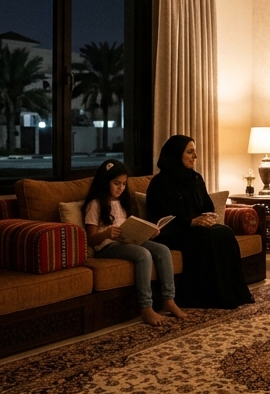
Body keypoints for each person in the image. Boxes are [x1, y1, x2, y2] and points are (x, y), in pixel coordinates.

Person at [146, 135, 255, 309]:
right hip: (173, 232)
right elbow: (161, 219)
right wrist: (191, 222)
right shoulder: (160, 183)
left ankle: (234, 292)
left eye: (194, 152)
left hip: (196, 229)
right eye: (190, 152)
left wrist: (208, 217)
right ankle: (211, 296)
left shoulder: (195, 178)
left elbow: (208, 206)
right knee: (211, 237)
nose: (195, 156)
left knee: (224, 231)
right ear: (176, 154)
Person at [80, 159, 187, 326]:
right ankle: (146, 307)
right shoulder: (95, 204)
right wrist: (106, 233)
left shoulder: (124, 202)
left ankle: (169, 299)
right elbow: (91, 238)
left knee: (162, 250)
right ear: (105, 182)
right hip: (107, 247)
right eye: (116, 183)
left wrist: (147, 233)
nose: (121, 188)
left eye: (124, 184)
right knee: (143, 255)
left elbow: (132, 228)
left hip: (128, 241)